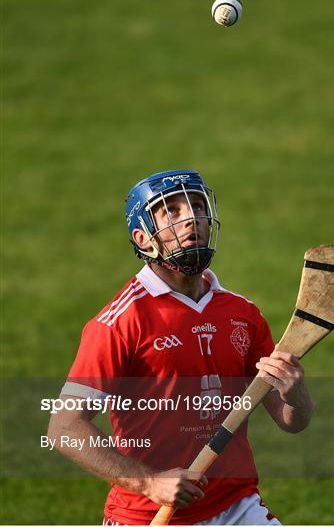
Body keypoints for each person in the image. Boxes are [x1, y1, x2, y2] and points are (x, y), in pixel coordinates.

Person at [48, 169, 314, 525]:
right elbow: (65, 428)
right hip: (147, 514)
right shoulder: (120, 322)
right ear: (143, 238)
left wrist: (296, 396)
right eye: (170, 211)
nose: (191, 218)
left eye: (198, 207)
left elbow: (291, 421)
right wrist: (149, 483)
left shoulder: (241, 314)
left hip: (236, 506)